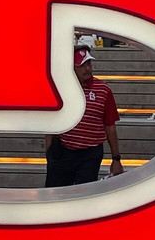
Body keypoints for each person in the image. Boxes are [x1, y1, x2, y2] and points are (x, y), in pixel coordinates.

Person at [45, 40, 124, 186]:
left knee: (83, 196)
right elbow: (51, 121)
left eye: (89, 64)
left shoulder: (103, 90)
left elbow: (110, 126)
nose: (87, 69)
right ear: (71, 68)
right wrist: (49, 151)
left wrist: (116, 158)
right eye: (82, 65)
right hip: (63, 151)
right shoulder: (60, 89)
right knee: (56, 195)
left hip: (90, 154)